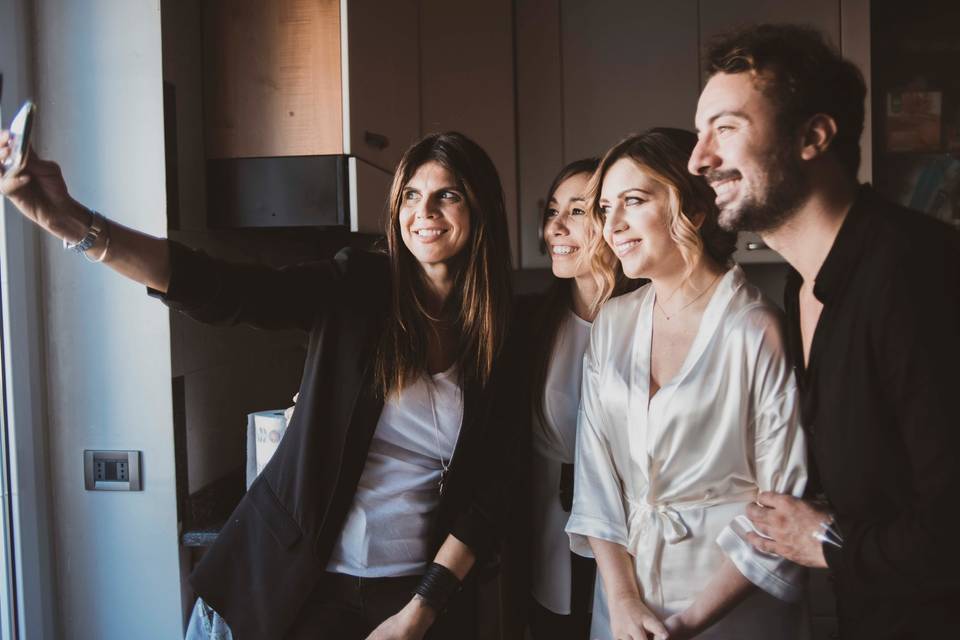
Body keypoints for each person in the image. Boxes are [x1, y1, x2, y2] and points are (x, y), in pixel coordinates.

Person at [0, 130, 524, 640]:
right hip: (295, 580)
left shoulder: (499, 336)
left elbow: (489, 495)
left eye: (447, 195)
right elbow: (230, 289)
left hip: (410, 591)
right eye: (411, 194)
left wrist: (420, 611)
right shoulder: (358, 286)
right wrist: (74, 223)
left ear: (479, 210)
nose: (424, 212)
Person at [688, 24, 960, 639]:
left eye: (726, 129)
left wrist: (827, 540)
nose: (698, 158)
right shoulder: (801, 287)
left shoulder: (913, 273)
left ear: (813, 137)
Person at [565, 128, 809, 640]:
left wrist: (688, 624)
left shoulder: (755, 330)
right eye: (605, 208)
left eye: (633, 201)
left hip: (728, 608)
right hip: (624, 604)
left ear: (693, 209)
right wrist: (625, 602)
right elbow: (595, 476)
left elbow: (783, 501)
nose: (613, 225)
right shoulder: (612, 323)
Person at [525, 158, 633, 640]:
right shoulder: (527, 325)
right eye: (552, 212)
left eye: (577, 211)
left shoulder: (652, 320)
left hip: (635, 543)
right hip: (544, 538)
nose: (557, 228)